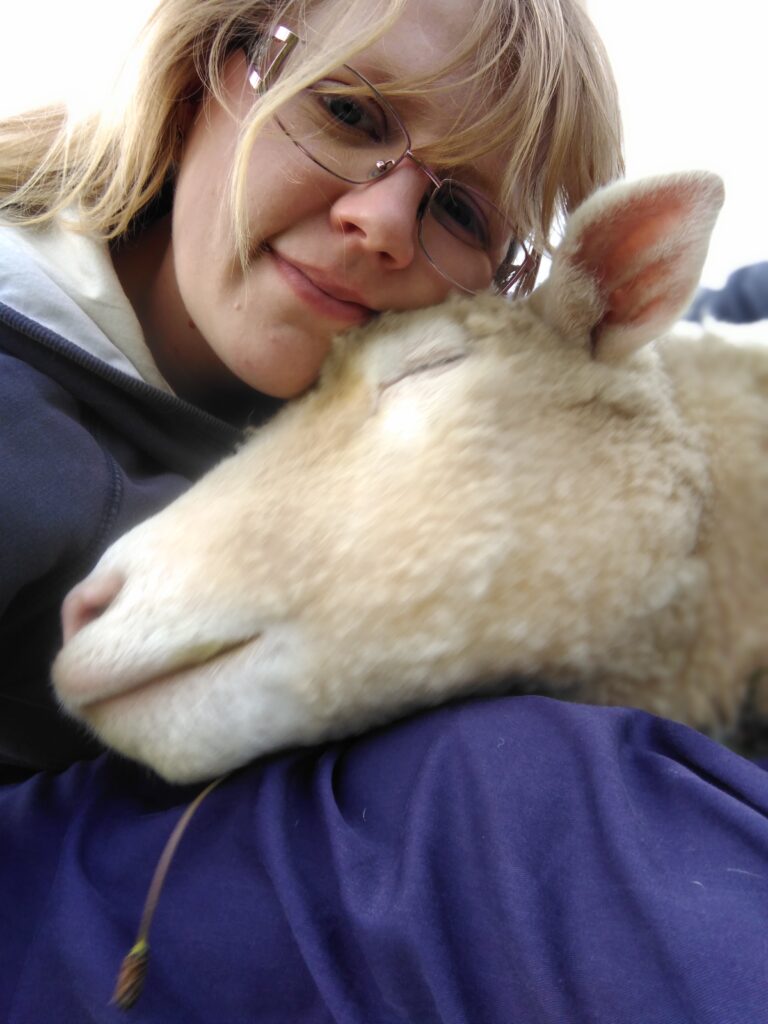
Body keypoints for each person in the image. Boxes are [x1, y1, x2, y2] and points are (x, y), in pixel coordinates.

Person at [2, 2, 766, 1022]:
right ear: (209, 71)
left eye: (460, 214)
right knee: (509, 789)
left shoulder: (364, 414)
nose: (386, 221)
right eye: (351, 114)